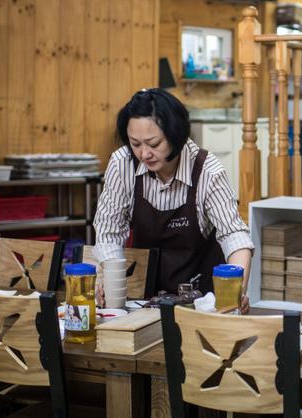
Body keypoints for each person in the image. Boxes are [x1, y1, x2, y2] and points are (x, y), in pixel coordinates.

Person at [93, 88, 253, 313]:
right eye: (135, 144)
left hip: (201, 304)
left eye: (154, 143)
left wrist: (237, 290)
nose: (144, 154)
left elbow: (234, 236)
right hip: (141, 302)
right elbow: (109, 233)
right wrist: (108, 281)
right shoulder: (122, 163)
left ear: (176, 134)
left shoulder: (207, 170)